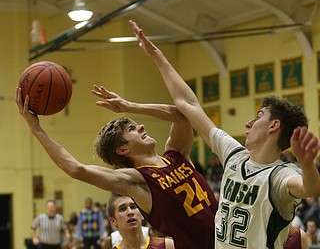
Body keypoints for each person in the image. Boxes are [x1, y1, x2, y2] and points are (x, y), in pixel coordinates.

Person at [128, 20, 320, 248]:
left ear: (273, 126)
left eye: (258, 117)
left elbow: (310, 188)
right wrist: (157, 56)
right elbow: (188, 104)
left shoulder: (279, 175)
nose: (249, 123)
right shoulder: (233, 154)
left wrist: (307, 164)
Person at [16, 82, 217, 248]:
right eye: (132, 129)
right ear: (122, 150)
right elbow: (76, 169)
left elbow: (183, 116)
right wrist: (36, 129)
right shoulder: (137, 181)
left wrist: (130, 106)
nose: (141, 126)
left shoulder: (175, 153)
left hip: (233, 238)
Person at [104, 193, 174, 249]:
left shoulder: (167, 245)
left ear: (142, 214)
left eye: (133, 207)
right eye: (122, 209)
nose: (130, 212)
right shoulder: (110, 241)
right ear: (113, 221)